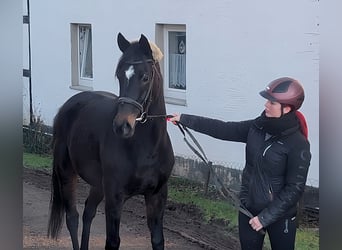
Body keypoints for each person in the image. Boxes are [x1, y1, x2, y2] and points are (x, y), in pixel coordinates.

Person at [169, 77, 311, 250]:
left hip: (281, 217)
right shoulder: (257, 127)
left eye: (272, 102)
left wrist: (264, 218)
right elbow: (223, 129)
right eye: (267, 100)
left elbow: (294, 188)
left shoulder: (298, 144)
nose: (266, 104)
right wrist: (185, 119)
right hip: (248, 210)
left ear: (287, 108)